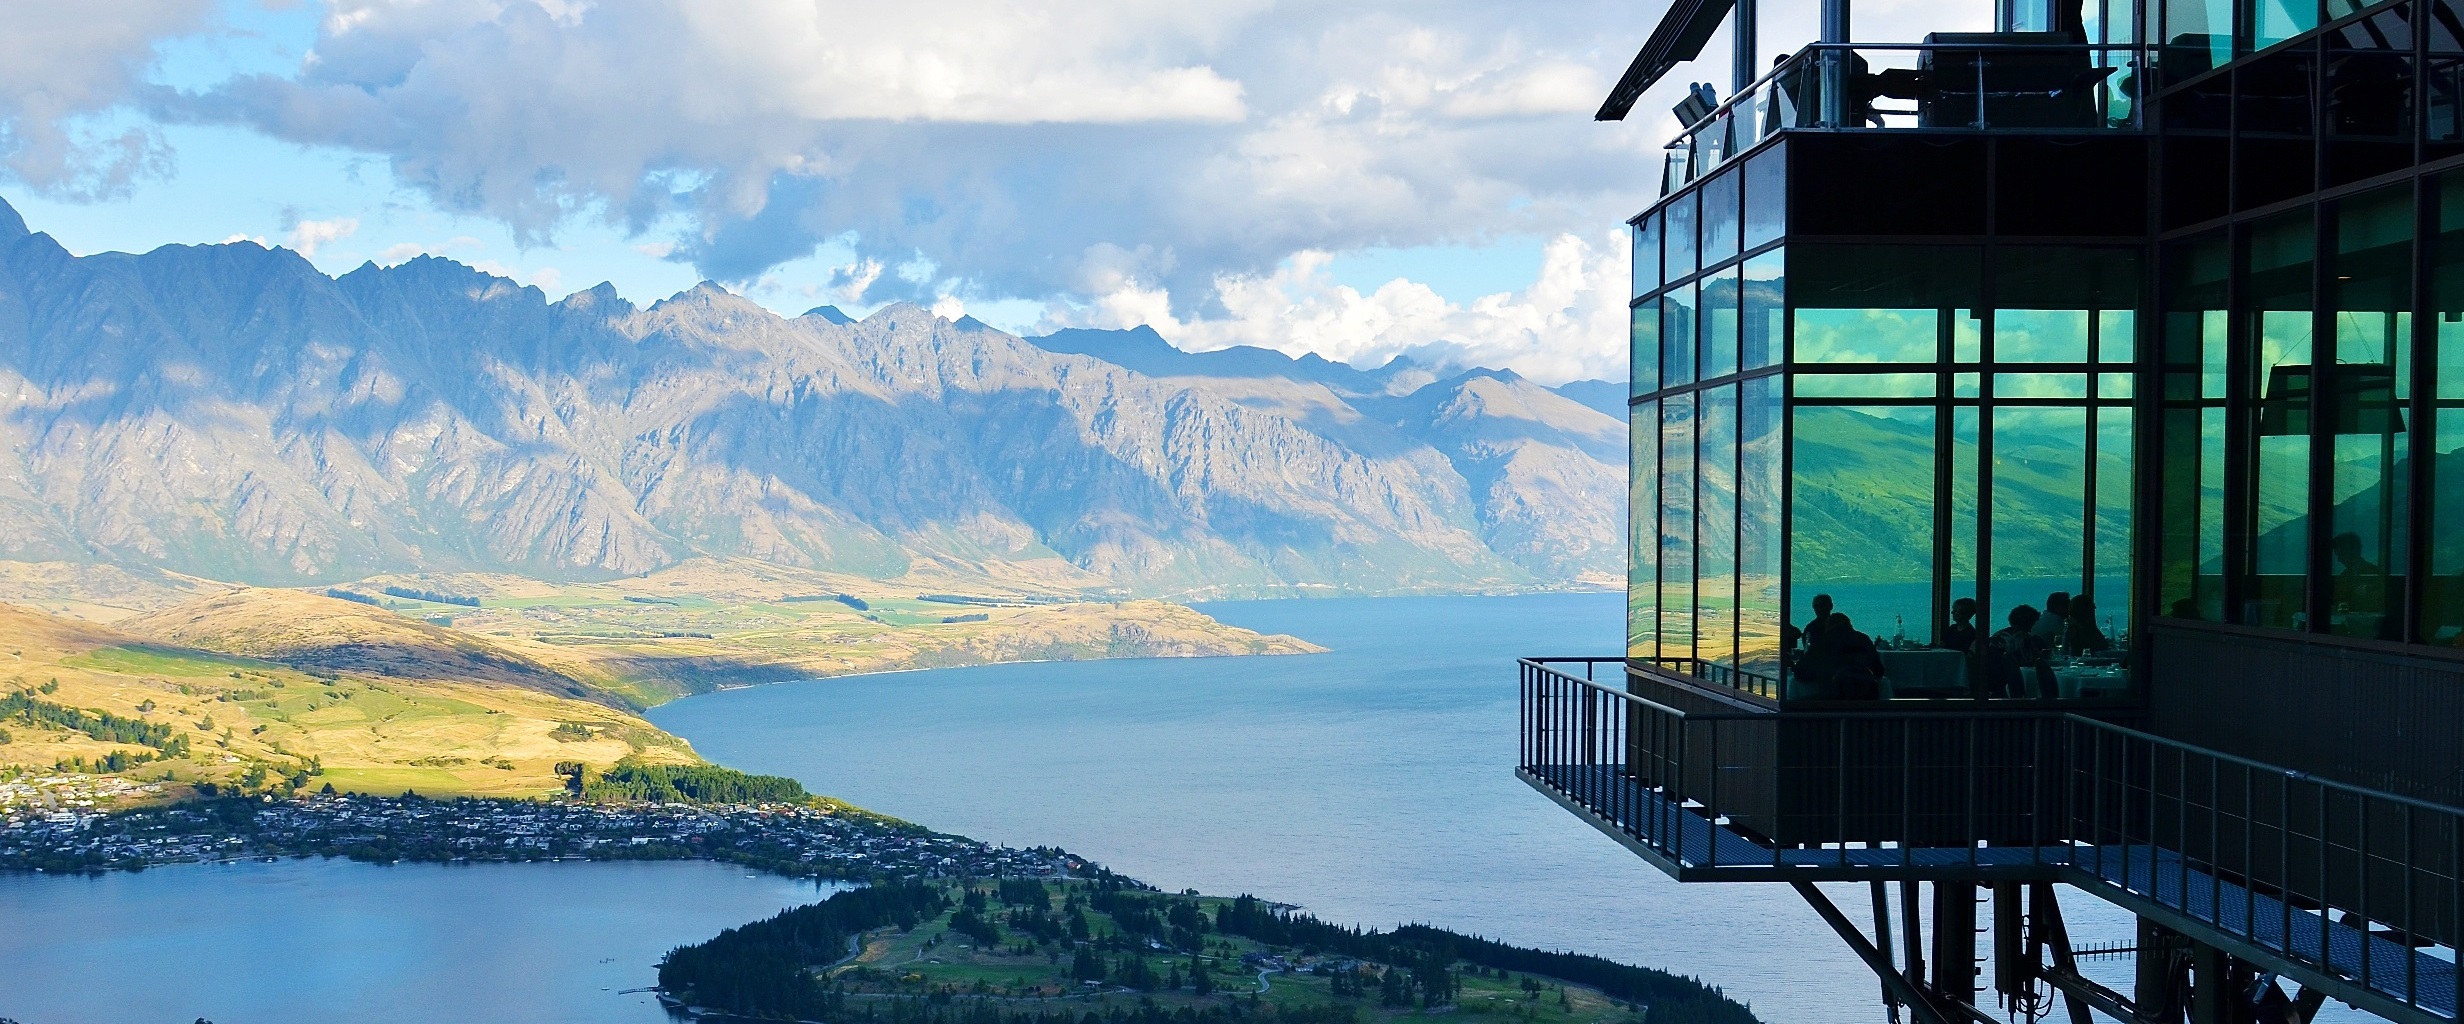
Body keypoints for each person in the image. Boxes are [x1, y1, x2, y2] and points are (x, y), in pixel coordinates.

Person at [1986, 605, 2050, 699]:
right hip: (2012, 682)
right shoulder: (2024, 639)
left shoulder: (1998, 636)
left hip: (1993, 680)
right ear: (2030, 622)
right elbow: (2027, 663)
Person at [1825, 613, 1887, 699]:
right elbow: (1879, 670)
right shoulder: (1863, 639)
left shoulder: (1825, 641)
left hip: (1833, 698)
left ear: (1829, 627)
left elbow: (1805, 669)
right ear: (1849, 625)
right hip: (1867, 697)